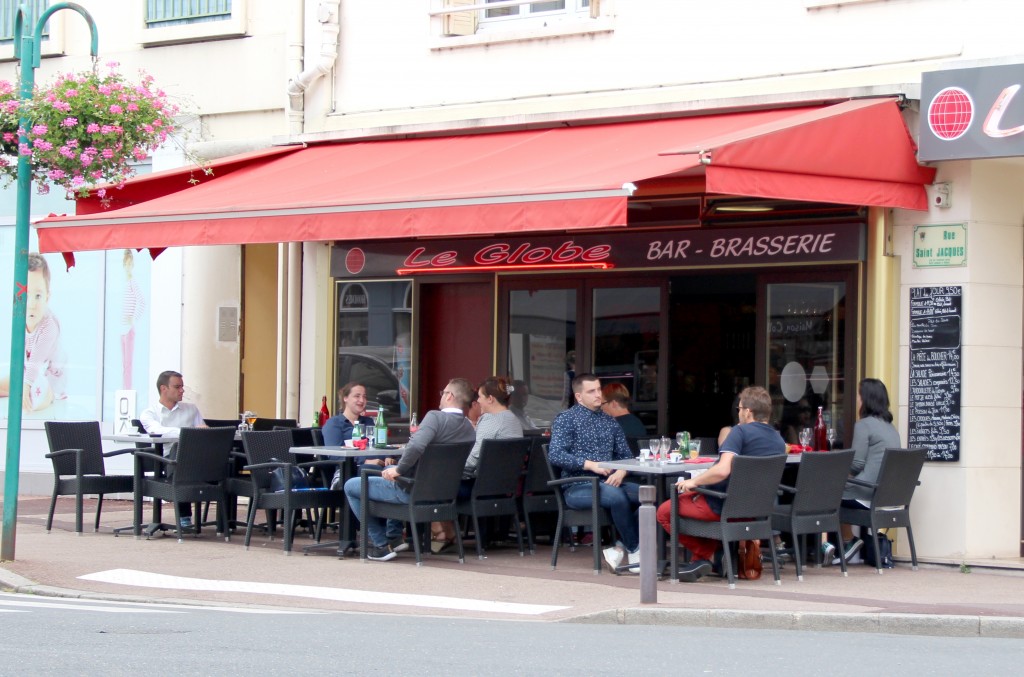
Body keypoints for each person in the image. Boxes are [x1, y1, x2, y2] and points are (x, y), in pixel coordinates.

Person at [657, 385, 785, 582]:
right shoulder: (778, 439)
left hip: (722, 505)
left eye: (740, 409)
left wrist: (694, 481)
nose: (739, 413)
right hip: (753, 511)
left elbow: (723, 470)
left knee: (664, 512)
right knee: (693, 505)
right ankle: (704, 559)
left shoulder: (739, 432)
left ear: (748, 412)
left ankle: (704, 556)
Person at [344, 377, 477, 562]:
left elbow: (415, 447)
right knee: (390, 468)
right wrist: (397, 468)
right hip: (444, 494)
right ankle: (394, 538)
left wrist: (399, 470)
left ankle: (380, 545)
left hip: (413, 491)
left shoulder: (435, 417)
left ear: (449, 396)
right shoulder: (469, 429)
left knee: (351, 485)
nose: (441, 396)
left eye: (443, 392)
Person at [548, 373, 642, 574]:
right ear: (579, 396)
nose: (598, 395)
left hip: (608, 481)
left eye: (599, 389)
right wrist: (590, 465)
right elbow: (555, 455)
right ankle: (635, 550)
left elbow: (627, 455)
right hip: (576, 485)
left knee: (650, 494)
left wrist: (622, 471)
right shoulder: (566, 419)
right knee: (616, 496)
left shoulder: (609, 421)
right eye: (592, 391)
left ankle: (619, 548)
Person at [826, 377, 901, 565]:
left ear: (866, 399)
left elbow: (857, 464)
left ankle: (847, 541)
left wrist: (838, 465)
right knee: (840, 488)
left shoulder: (864, 424)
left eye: (859, 395)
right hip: (889, 495)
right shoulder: (891, 428)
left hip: (868, 492)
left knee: (829, 492)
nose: (856, 400)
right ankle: (849, 544)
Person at [138, 370, 207, 530]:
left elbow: (203, 431)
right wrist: (189, 432)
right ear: (164, 389)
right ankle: (185, 518)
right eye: (177, 387)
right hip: (165, 459)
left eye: (182, 386)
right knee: (178, 448)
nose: (182, 390)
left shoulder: (191, 409)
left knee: (221, 456)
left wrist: (195, 432)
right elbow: (158, 431)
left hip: (194, 458)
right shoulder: (149, 413)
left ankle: (219, 522)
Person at [0, 253, 68, 411]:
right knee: (10, 384)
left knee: (36, 398)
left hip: (48, 378)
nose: (31, 304)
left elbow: (35, 361)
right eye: (26, 295)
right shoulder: (20, 318)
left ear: (47, 297)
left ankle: (31, 395)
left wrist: (26, 388)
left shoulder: (49, 325)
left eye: (38, 296)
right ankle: (18, 392)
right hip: (27, 376)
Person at [322, 382, 390, 488]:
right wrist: (365, 461)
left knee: (398, 469)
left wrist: (388, 457)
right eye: (357, 396)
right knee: (372, 470)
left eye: (364, 397)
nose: (362, 400)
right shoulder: (334, 423)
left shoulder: (369, 422)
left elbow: (379, 444)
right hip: (351, 470)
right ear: (345, 398)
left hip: (378, 467)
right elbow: (334, 453)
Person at [120, 249, 146, 390]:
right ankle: (124, 388)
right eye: (126, 264)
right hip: (122, 328)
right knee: (124, 363)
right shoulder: (123, 284)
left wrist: (134, 319)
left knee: (128, 363)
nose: (128, 267)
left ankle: (127, 389)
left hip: (128, 328)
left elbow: (142, 301)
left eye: (130, 264)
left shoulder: (132, 283)